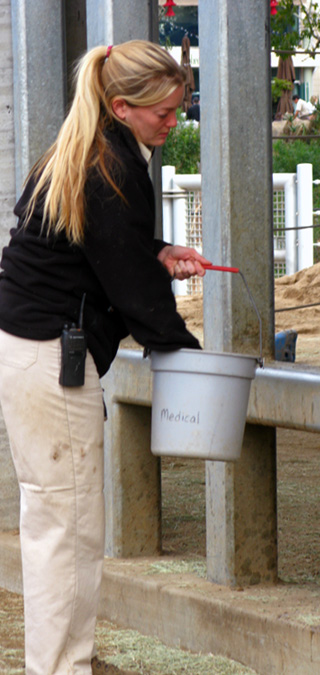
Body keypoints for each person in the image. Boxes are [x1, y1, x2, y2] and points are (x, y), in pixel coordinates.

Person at [0, 40, 210, 675]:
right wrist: (190, 359)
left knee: (56, 519)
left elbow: (97, 243)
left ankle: (64, 661)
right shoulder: (113, 169)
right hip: (53, 359)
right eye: (164, 112)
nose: (174, 121)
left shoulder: (88, 150)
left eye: (180, 107)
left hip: (29, 348)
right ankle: (62, 667)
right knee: (68, 526)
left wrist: (157, 248)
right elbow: (137, 297)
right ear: (122, 106)